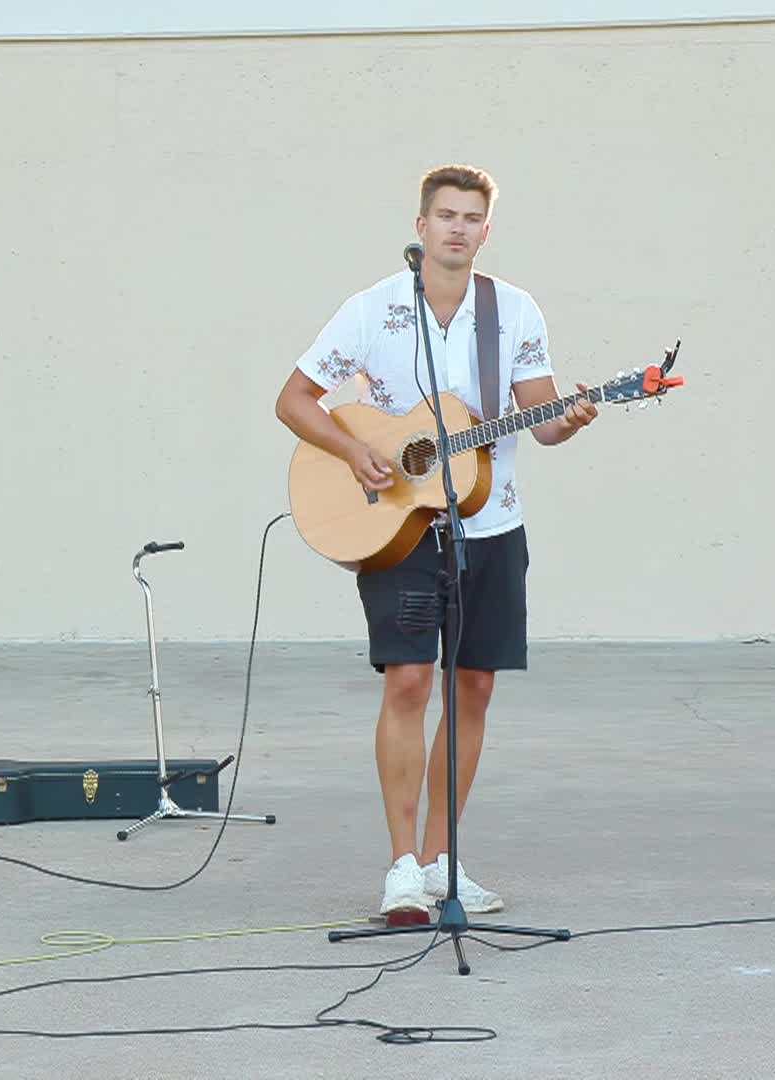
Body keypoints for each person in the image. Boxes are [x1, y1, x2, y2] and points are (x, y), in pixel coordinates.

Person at [273, 166, 597, 921]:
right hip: (400, 523)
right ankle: (402, 868)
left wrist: (575, 415)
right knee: (410, 683)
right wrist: (354, 451)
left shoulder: (512, 312)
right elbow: (292, 399)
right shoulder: (370, 310)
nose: (458, 227)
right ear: (420, 226)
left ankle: (448, 862)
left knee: (472, 686)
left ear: (488, 230)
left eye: (472, 217)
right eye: (445, 215)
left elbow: (539, 420)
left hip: (492, 521)